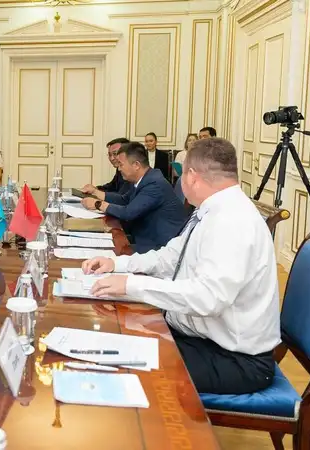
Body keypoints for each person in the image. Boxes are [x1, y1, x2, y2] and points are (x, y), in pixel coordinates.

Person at [83, 138, 280, 395]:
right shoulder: (213, 210)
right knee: (117, 341)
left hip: (233, 359)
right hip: (203, 339)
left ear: (192, 176)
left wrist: (132, 285)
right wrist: (117, 264)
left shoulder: (232, 221)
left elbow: (207, 298)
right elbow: (170, 258)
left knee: (122, 364)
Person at [81, 142, 187, 252]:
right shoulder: (143, 178)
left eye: (121, 164)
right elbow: (124, 200)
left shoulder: (154, 184)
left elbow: (128, 213)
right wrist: (96, 192)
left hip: (158, 247)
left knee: (103, 252)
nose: (119, 168)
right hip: (143, 237)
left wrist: (98, 204)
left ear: (136, 165)